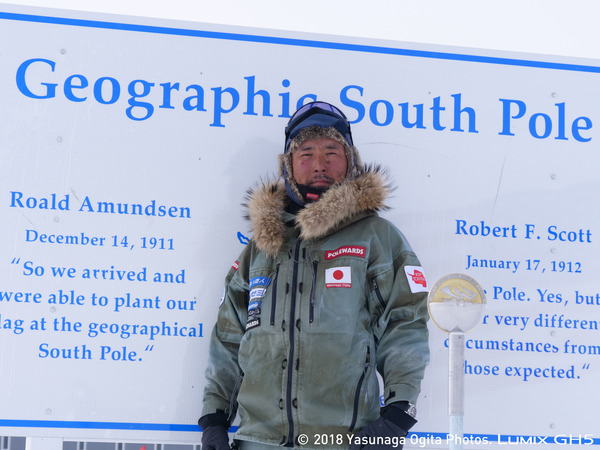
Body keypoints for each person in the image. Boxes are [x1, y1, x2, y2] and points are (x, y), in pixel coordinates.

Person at [199, 101, 430, 449]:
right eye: (305, 153)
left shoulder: (377, 238)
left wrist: (398, 415)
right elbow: (230, 337)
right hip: (258, 440)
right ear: (289, 165)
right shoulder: (262, 248)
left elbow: (405, 324)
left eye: (331, 152)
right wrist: (214, 419)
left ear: (349, 160)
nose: (319, 164)